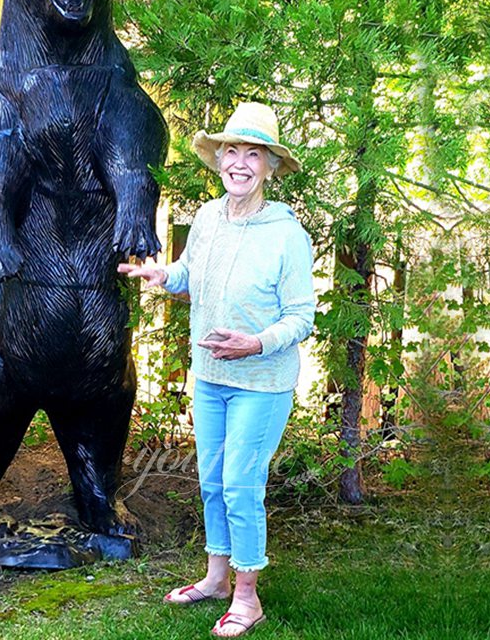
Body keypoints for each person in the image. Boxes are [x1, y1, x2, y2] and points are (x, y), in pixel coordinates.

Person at [118, 102, 316, 638]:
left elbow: (302, 317)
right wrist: (164, 274)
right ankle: (215, 578)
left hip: (261, 383)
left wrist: (255, 342)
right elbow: (192, 274)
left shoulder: (287, 234)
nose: (240, 162)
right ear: (219, 158)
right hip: (209, 377)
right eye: (232, 150)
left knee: (240, 484)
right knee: (210, 482)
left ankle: (247, 598)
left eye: (254, 154)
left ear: (271, 167)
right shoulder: (206, 218)